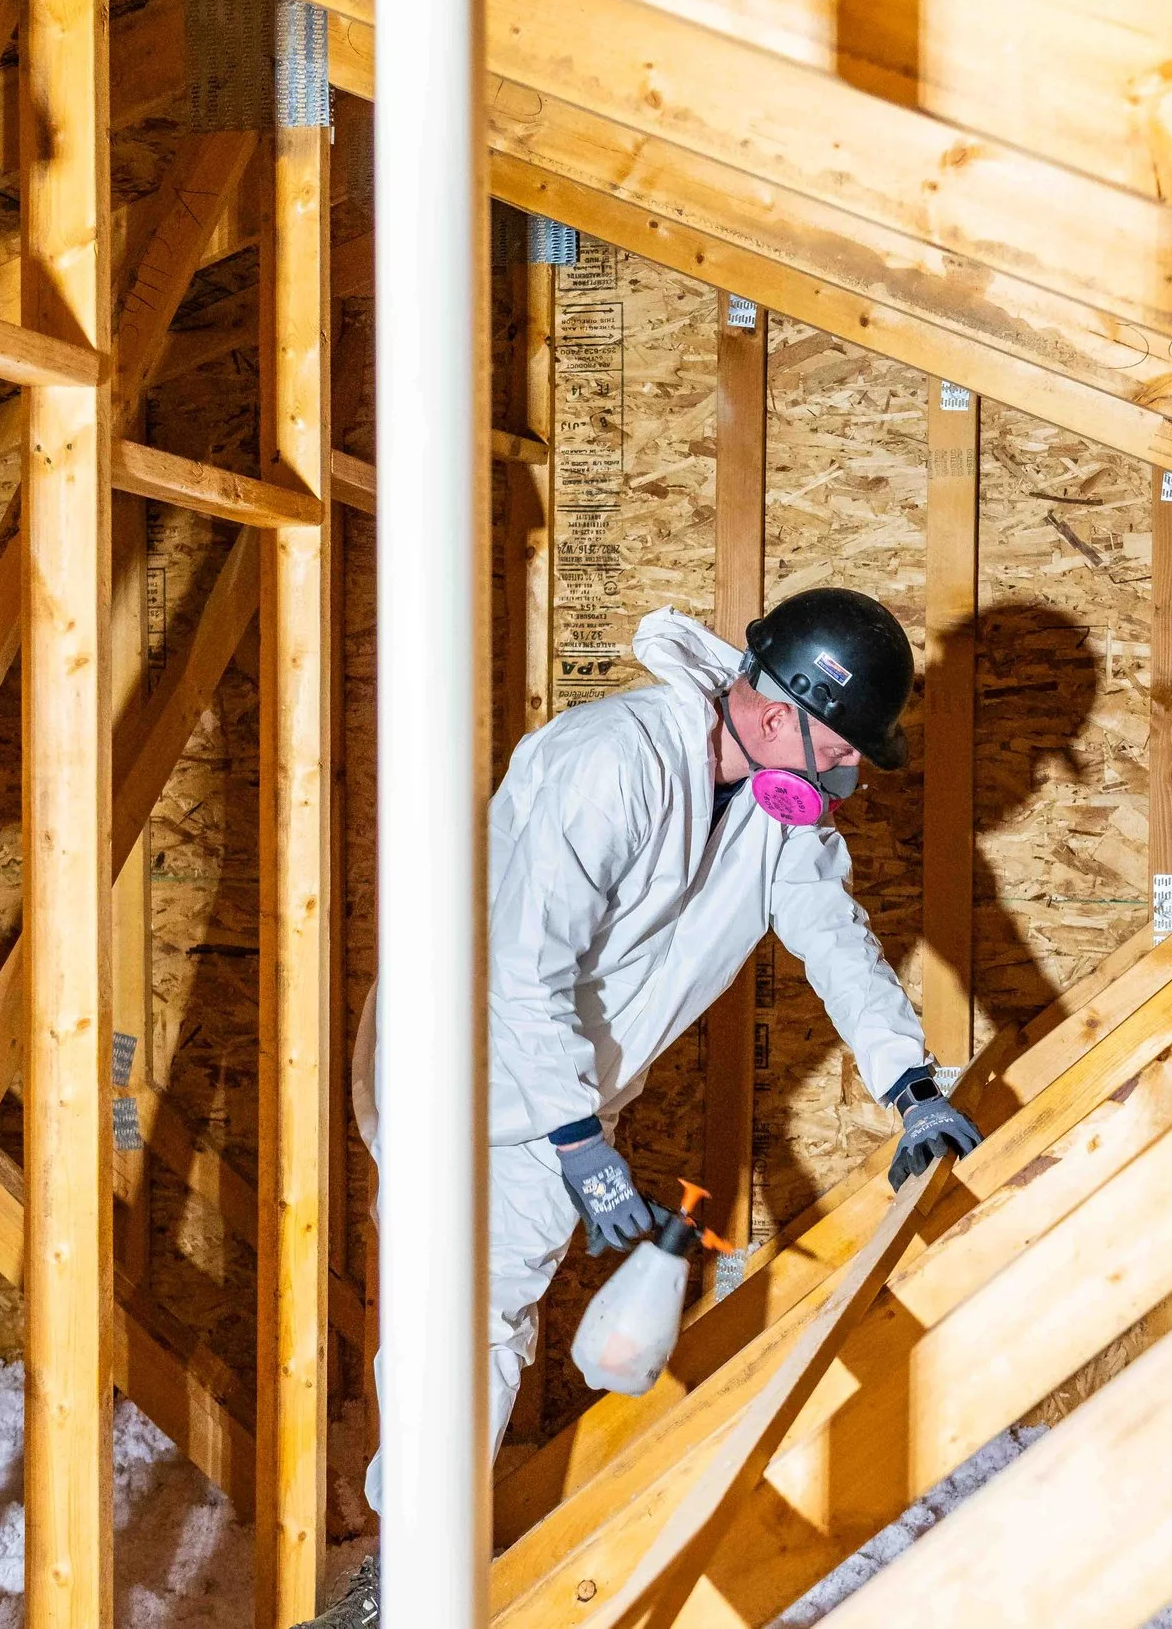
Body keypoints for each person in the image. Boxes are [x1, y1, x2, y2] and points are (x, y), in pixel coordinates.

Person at [347, 588, 983, 1533]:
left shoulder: (781, 813)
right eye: (844, 750)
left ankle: (423, 1563)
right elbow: (520, 964)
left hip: (564, 1097)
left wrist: (911, 1084)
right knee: (444, 1310)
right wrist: (578, 1142)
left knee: (487, 1322)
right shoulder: (613, 758)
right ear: (777, 714)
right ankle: (408, 1567)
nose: (851, 775)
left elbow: (836, 940)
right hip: (455, 1061)